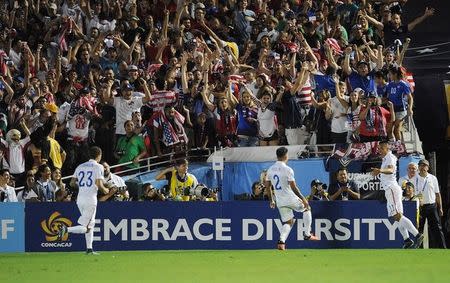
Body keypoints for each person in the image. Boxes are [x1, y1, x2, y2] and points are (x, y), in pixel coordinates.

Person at [370, 141, 423, 249]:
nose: (378, 150)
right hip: (390, 189)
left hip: (392, 188)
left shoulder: (390, 157)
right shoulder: (386, 158)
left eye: (381, 148)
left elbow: (391, 170)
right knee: (398, 217)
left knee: (397, 216)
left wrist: (380, 170)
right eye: (378, 148)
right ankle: (407, 240)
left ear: (386, 148)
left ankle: (417, 235)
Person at [58, 146, 109, 255]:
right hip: (90, 199)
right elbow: (99, 184)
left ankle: (89, 249)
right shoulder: (98, 167)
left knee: (90, 224)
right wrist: (105, 190)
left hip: (80, 199)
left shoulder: (80, 166)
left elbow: (72, 183)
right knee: (86, 227)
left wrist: (82, 186)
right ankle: (66, 230)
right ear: (99, 155)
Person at [264, 147, 318, 251]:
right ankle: (307, 234)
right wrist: (303, 198)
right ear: (285, 156)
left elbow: (268, 187)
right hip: (290, 198)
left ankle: (281, 241)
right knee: (307, 208)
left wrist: (271, 200)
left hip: (280, 201)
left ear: (277, 156)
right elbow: (293, 187)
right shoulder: (288, 169)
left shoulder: (270, 169)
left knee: (289, 222)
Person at [413, 159, 446, 248]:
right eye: (421, 165)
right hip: (419, 207)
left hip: (432, 206)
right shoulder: (414, 178)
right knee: (419, 229)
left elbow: (437, 194)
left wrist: (440, 208)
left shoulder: (433, 178)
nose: (423, 167)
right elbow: (411, 193)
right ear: (418, 167)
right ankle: (418, 249)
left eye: (425, 166)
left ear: (428, 167)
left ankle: (442, 248)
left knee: (437, 228)